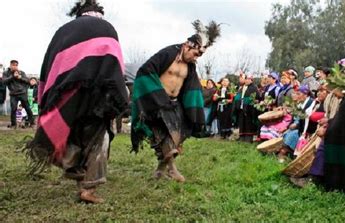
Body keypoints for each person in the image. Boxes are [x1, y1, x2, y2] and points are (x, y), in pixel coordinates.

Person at [24, 0, 128, 203]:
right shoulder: (107, 28)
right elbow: (114, 65)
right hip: (97, 95)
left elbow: (50, 64)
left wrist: (48, 96)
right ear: (98, 12)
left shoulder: (64, 31)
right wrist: (118, 97)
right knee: (99, 138)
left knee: (71, 135)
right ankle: (87, 187)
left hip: (67, 94)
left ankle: (73, 168)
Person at [131, 20, 221, 182]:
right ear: (188, 45)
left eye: (199, 55)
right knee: (165, 138)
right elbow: (145, 71)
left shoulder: (191, 67)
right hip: (157, 104)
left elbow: (191, 90)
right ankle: (172, 170)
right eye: (196, 53)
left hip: (174, 105)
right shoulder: (167, 54)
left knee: (175, 139)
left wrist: (194, 110)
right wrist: (156, 96)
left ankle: (160, 171)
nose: (196, 58)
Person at [2, 60, 34, 127]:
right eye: (13, 65)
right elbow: (4, 81)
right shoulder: (6, 73)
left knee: (27, 107)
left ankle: (32, 122)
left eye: (16, 65)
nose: (15, 66)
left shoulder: (21, 72)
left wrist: (20, 78)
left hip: (22, 93)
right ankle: (13, 124)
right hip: (13, 94)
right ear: (10, 65)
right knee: (13, 109)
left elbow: (28, 81)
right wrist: (13, 76)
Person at [235, 74, 259, 142]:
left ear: (251, 80)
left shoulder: (254, 87)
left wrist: (249, 101)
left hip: (249, 108)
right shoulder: (242, 88)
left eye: (249, 79)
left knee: (249, 123)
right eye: (246, 79)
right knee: (242, 123)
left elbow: (257, 97)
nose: (247, 80)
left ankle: (249, 137)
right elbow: (238, 96)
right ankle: (242, 136)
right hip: (241, 107)